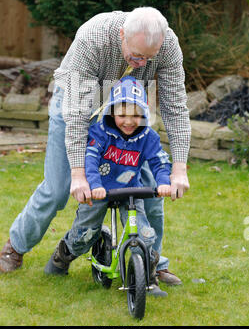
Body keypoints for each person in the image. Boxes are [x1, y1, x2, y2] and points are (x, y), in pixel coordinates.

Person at [0, 7, 190, 285]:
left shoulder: (168, 44)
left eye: (149, 58)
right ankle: (16, 246)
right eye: (136, 56)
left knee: (151, 191)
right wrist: (78, 174)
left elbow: (175, 107)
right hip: (78, 105)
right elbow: (76, 117)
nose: (141, 64)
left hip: (125, 114)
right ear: (122, 34)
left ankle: (152, 262)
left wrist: (180, 168)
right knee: (58, 188)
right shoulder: (94, 37)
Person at [44, 76, 172, 297]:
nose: (129, 121)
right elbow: (90, 159)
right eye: (122, 115)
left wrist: (163, 182)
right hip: (99, 191)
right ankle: (62, 256)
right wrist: (94, 185)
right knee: (85, 234)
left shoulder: (148, 137)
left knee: (145, 235)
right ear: (112, 112)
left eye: (136, 115)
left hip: (130, 192)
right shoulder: (100, 132)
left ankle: (148, 279)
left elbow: (159, 161)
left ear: (144, 114)